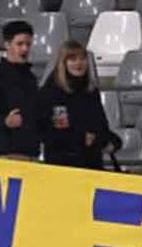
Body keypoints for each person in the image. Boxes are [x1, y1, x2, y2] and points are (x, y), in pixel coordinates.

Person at [37, 41, 121, 169]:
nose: (79, 63)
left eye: (82, 59)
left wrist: (110, 140)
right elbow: (47, 132)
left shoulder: (91, 91)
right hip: (62, 165)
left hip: (92, 163)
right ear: (63, 63)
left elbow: (101, 126)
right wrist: (81, 139)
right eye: (73, 59)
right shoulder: (50, 93)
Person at [0, 20, 41, 160]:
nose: (25, 49)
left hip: (31, 151)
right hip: (7, 152)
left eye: (28, 44)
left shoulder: (31, 78)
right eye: (20, 44)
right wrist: (5, 121)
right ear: (6, 45)